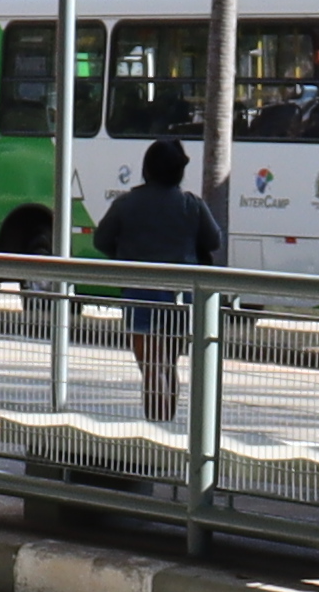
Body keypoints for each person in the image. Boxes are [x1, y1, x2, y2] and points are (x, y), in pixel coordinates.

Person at [87, 132, 220, 424]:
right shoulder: (191, 204)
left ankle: (155, 427)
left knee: (149, 365)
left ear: (147, 169)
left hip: (138, 293)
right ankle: (166, 423)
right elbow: (213, 241)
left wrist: (123, 254)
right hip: (179, 295)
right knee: (168, 363)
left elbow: (101, 240)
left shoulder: (126, 203)